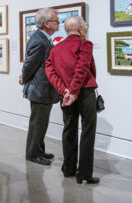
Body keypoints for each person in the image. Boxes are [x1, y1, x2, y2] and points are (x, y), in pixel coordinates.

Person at [46, 16, 99, 184]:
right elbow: (82, 67)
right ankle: (84, 173)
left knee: (69, 130)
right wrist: (74, 91)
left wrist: (64, 90)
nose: (87, 30)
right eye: (86, 27)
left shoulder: (56, 49)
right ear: (81, 28)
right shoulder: (85, 44)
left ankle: (68, 168)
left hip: (66, 94)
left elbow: (50, 71)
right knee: (88, 131)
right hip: (84, 92)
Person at [19, 8, 60, 165]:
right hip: (39, 89)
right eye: (56, 21)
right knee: (38, 123)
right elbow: (29, 64)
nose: (58, 23)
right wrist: (25, 78)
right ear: (46, 23)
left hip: (43, 89)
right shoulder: (39, 40)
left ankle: (39, 150)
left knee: (41, 123)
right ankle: (33, 154)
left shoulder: (43, 38)